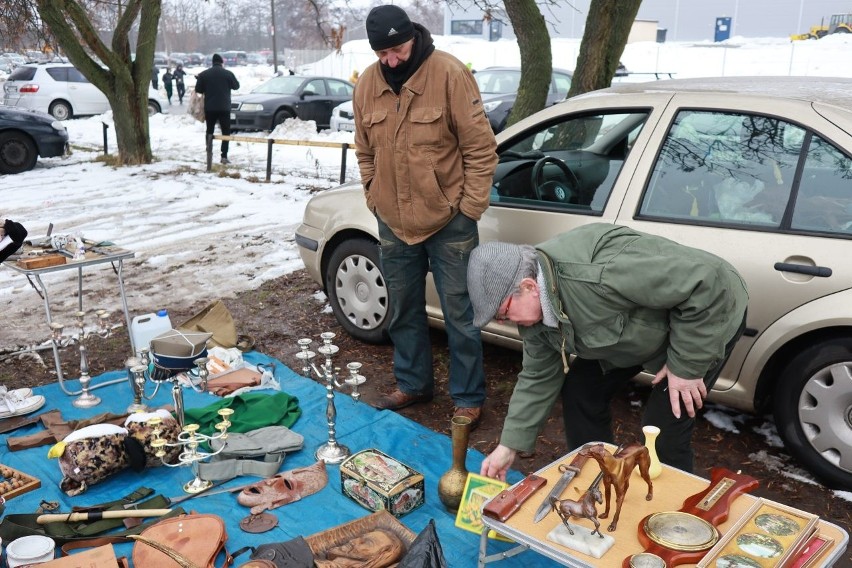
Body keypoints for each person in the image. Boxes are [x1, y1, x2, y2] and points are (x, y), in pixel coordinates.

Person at [470, 223, 748, 479]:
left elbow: (708, 283)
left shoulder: (598, 273)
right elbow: (537, 376)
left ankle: (672, 515)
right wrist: (509, 446)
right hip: (632, 331)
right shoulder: (536, 317)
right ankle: (601, 476)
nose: (506, 322)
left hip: (706, 316)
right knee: (581, 390)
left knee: (661, 429)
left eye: (503, 313)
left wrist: (686, 366)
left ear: (529, 286)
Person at [353, 5, 497, 429]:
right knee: (402, 308)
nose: (391, 60)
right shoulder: (366, 83)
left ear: (412, 38)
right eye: (382, 53)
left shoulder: (449, 73)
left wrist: (468, 208)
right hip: (393, 221)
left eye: (397, 49)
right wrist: (373, 194)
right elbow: (364, 150)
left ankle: (469, 398)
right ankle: (413, 384)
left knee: (461, 315)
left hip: (449, 219)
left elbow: (481, 149)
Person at [194, 53, 240, 165]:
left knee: (209, 131)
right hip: (224, 108)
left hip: (210, 108)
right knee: (226, 132)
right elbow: (236, 86)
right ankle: (224, 156)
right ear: (222, 62)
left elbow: (198, 90)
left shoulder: (204, 74)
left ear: (212, 62)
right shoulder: (228, 74)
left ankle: (209, 152)